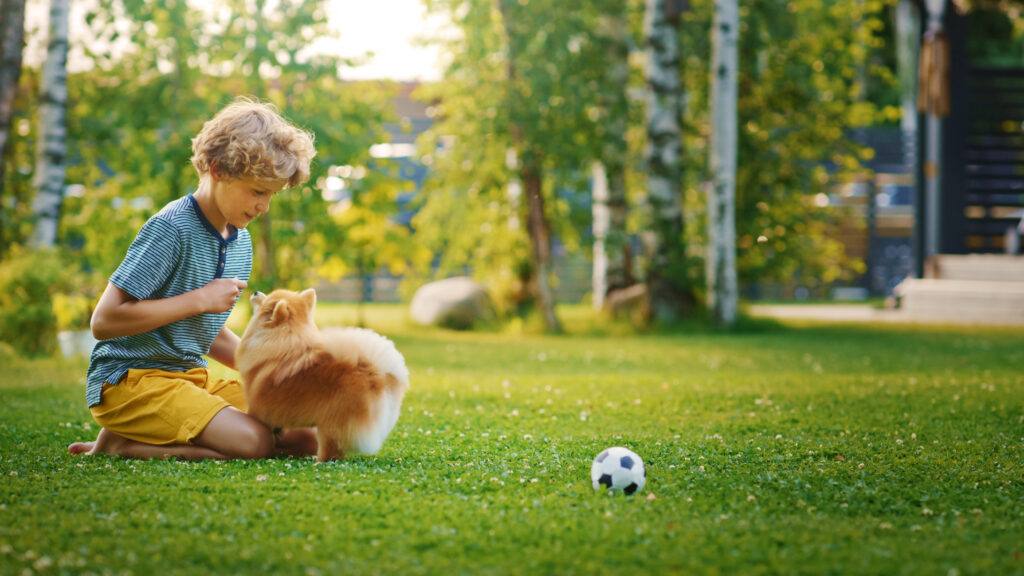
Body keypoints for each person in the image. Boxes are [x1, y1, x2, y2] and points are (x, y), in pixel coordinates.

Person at [68, 99, 318, 460]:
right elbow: (104, 321)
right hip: (129, 383)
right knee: (255, 443)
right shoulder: (172, 229)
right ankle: (122, 443)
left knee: (305, 434)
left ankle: (135, 437)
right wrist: (199, 299)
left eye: (272, 195)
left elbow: (205, 331)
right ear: (218, 170)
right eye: (258, 191)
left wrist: (272, 372)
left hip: (189, 378)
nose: (264, 206)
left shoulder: (240, 240)